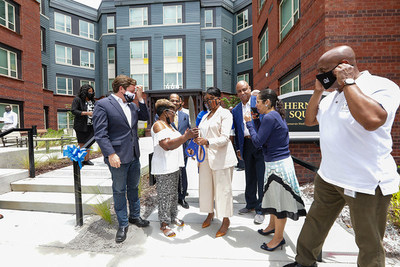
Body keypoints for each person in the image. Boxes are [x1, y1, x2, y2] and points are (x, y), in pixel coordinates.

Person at [284, 45, 400, 267]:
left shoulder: (381, 86)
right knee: (315, 223)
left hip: (364, 182)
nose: (321, 75)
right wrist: (318, 91)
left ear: (344, 66)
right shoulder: (330, 97)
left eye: (324, 70)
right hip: (329, 177)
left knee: (369, 242)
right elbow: (309, 120)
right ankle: (304, 261)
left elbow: (372, 120)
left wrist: (348, 83)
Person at [244, 89, 306, 252]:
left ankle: (278, 238)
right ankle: (271, 226)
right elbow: (265, 137)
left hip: (278, 166)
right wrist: (256, 121)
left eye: (257, 101)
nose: (255, 104)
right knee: (272, 197)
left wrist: (249, 123)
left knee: (279, 203)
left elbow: (257, 142)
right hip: (275, 163)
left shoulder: (270, 117)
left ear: (267, 102)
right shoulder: (271, 116)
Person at [93, 75, 150, 243]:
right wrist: (110, 154)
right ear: (121, 89)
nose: (134, 93)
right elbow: (100, 133)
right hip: (117, 156)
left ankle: (134, 216)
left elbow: (145, 117)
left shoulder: (131, 106)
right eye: (132, 91)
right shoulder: (103, 105)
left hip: (134, 155)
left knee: (133, 188)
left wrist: (140, 99)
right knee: (119, 190)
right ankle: (123, 224)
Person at [151, 99, 198, 237]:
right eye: (173, 113)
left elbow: (178, 144)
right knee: (164, 196)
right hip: (163, 167)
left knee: (173, 194)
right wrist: (185, 137)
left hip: (174, 165)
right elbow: (167, 145)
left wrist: (189, 146)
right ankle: (164, 224)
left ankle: (172, 216)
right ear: (165, 112)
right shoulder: (158, 125)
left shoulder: (169, 126)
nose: (175, 116)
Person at [196, 87, 238, 238]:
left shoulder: (225, 114)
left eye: (209, 99)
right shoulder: (206, 116)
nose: (207, 102)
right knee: (206, 188)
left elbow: (225, 137)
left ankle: (226, 220)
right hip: (205, 157)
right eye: (205, 100)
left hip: (221, 158)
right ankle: (210, 212)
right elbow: (201, 134)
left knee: (223, 190)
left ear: (218, 99)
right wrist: (196, 143)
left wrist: (207, 141)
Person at [232, 80, 266, 225]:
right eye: (239, 91)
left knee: (261, 176)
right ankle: (250, 204)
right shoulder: (235, 110)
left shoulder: (259, 102)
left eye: (245, 89)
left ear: (250, 89)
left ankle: (260, 209)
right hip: (246, 145)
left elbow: (266, 123)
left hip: (260, 144)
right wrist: (238, 148)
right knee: (249, 175)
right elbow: (237, 130)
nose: (242, 93)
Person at [169, 93, 191, 209]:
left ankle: (181, 198)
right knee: (171, 175)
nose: (175, 103)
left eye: (177, 101)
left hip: (183, 150)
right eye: (172, 100)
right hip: (169, 150)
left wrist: (191, 147)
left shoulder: (185, 116)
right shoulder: (162, 115)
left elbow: (189, 131)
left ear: (181, 102)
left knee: (182, 174)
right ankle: (172, 198)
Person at [71, 84, 95, 165]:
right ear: (84, 92)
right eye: (89, 92)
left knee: (89, 142)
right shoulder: (77, 100)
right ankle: (80, 160)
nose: (91, 93)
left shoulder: (93, 101)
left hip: (91, 125)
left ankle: (86, 159)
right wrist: (86, 113)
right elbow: (73, 110)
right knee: (81, 143)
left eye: (92, 92)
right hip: (81, 125)